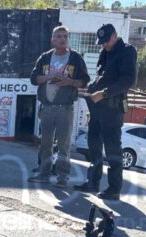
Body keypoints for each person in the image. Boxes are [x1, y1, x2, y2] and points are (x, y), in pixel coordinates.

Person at [75, 24, 137, 200]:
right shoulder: (105, 52)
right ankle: (92, 182)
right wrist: (90, 90)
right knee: (94, 146)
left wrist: (104, 93)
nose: (104, 45)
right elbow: (101, 76)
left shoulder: (127, 51)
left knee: (112, 149)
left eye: (106, 41)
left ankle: (114, 188)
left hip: (112, 107)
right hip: (97, 107)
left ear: (115, 35)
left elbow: (127, 80)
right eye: (101, 43)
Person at [28, 26, 90, 188]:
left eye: (65, 36)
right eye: (59, 36)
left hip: (65, 108)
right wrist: (49, 76)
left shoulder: (76, 58)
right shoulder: (45, 57)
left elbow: (85, 80)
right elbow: (33, 79)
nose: (63, 39)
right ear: (53, 40)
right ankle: (44, 173)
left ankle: (63, 177)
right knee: (45, 143)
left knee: (63, 144)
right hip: (47, 107)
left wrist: (70, 82)